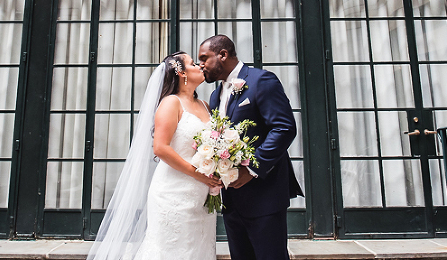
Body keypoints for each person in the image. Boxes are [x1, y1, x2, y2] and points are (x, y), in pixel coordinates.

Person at [88, 52, 220, 260]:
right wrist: (198, 174)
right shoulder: (171, 103)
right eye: (193, 64)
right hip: (173, 192)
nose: (200, 67)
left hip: (201, 194)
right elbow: (160, 148)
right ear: (182, 74)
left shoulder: (205, 105)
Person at [199, 34, 303, 260]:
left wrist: (252, 169)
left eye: (204, 58)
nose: (200, 65)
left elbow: (284, 128)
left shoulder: (261, 80)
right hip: (232, 199)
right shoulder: (216, 95)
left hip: (264, 195)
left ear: (223, 55)